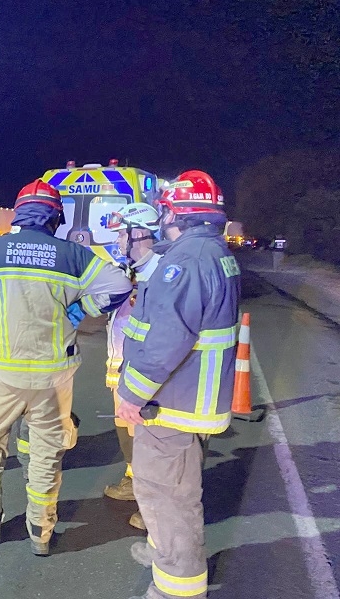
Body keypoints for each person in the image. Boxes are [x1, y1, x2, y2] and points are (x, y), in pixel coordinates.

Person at [0, 179, 132, 556]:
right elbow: (118, 286)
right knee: (47, 451)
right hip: (55, 376)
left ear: (19, 215)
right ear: (56, 218)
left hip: (3, 371)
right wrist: (83, 310)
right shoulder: (72, 256)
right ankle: (41, 531)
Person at [116, 171, 240, 599]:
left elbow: (166, 338)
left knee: (166, 494)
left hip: (173, 402)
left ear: (174, 212)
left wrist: (130, 393)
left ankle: (177, 587)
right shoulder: (210, 252)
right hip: (192, 398)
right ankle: (162, 551)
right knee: (171, 488)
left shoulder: (186, 261)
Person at [101, 202, 162, 531]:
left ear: (138, 234)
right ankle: (134, 481)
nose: (117, 241)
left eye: (121, 235)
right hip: (121, 361)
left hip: (144, 368)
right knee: (126, 427)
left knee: (149, 433)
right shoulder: (127, 268)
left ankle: (154, 502)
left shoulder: (160, 272)